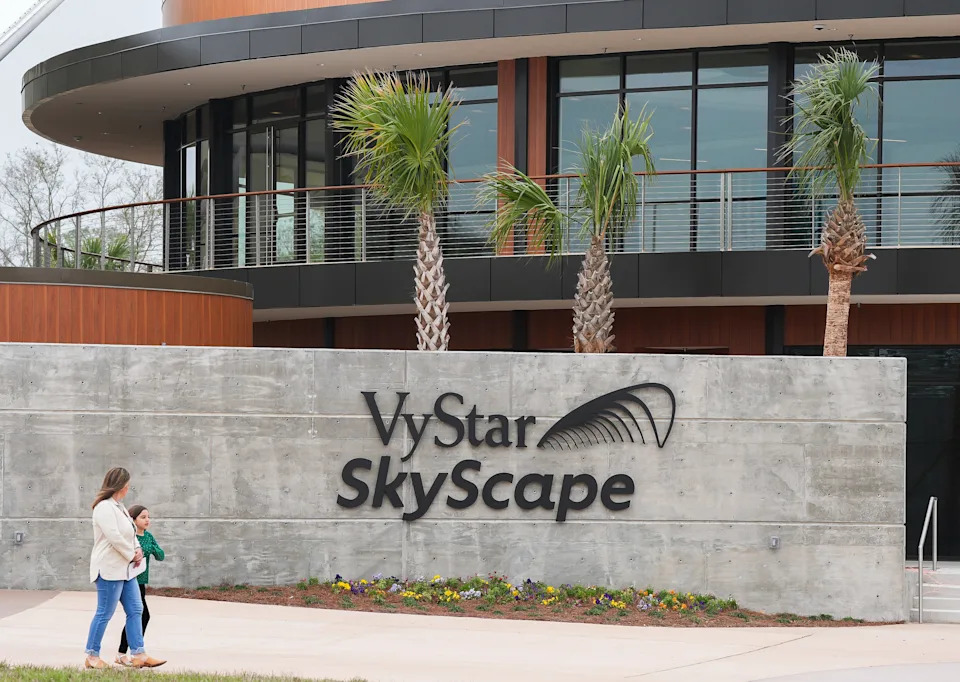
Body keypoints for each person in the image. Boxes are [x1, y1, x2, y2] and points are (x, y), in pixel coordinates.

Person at [83, 467, 166, 669]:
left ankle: (139, 654)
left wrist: (137, 550)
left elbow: (131, 534)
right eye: (127, 484)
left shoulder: (119, 507)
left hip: (127, 570)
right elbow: (114, 537)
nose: (128, 488)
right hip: (110, 569)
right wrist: (131, 554)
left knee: (136, 609)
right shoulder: (103, 508)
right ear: (121, 485)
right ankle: (92, 656)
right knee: (105, 612)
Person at [116, 505, 164, 665]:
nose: (147, 520)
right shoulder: (130, 536)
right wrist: (144, 549)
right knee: (140, 615)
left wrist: (152, 549)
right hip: (130, 580)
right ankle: (130, 652)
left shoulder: (149, 536)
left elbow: (161, 555)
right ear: (133, 519)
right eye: (143, 517)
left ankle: (128, 652)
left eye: (148, 517)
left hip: (141, 582)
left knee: (139, 616)